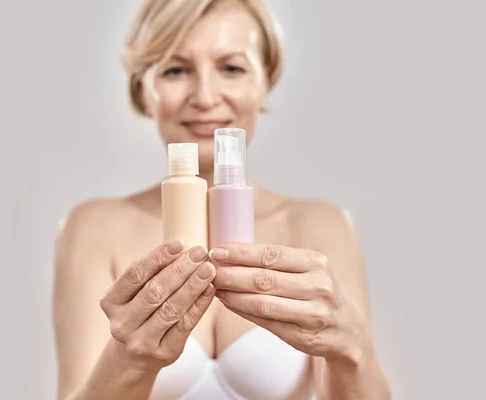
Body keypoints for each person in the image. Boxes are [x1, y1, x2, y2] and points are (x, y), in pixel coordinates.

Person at [52, 0, 391, 399]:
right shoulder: (95, 228)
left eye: (231, 68)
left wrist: (351, 349)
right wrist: (131, 360)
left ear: (265, 81)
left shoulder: (320, 226)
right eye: (176, 70)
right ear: (143, 89)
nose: (205, 96)